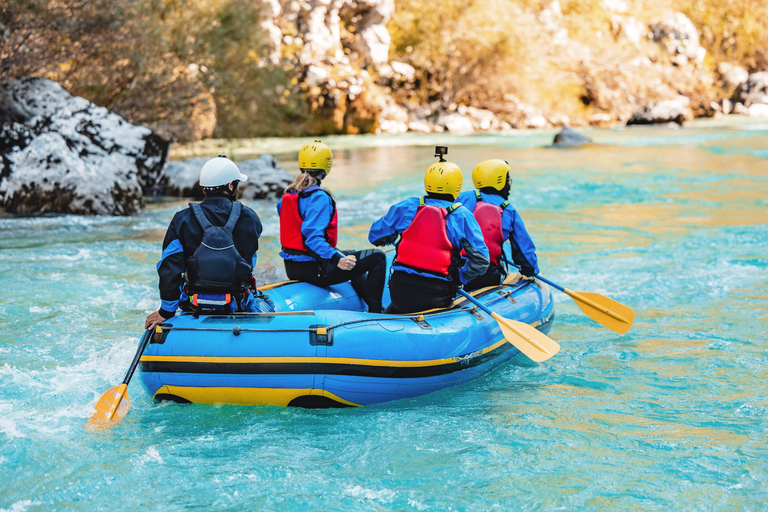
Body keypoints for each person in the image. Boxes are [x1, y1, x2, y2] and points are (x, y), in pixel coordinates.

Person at [145, 156, 273, 330]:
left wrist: (166, 312)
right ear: (230, 186)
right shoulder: (249, 217)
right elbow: (250, 261)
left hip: (195, 304)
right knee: (266, 300)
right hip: (237, 303)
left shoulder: (182, 219)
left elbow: (169, 268)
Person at [368, 156, 490, 314]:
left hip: (400, 292)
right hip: (437, 296)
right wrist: (460, 277)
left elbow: (375, 237)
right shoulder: (462, 216)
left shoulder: (407, 207)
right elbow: (481, 261)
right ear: (457, 186)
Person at [277, 141, 386, 313]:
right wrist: (337, 259)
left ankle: (374, 305)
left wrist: (337, 255)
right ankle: (376, 312)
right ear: (326, 166)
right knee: (377, 257)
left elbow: (293, 224)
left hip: (292, 268)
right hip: (315, 270)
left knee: (351, 255)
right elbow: (312, 237)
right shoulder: (319, 198)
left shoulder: (288, 195)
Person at [456, 159, 539, 291]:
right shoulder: (508, 210)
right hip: (486, 276)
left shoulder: (462, 198)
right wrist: (530, 271)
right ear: (499, 182)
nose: (509, 185)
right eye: (507, 181)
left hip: (454, 271)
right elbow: (524, 250)